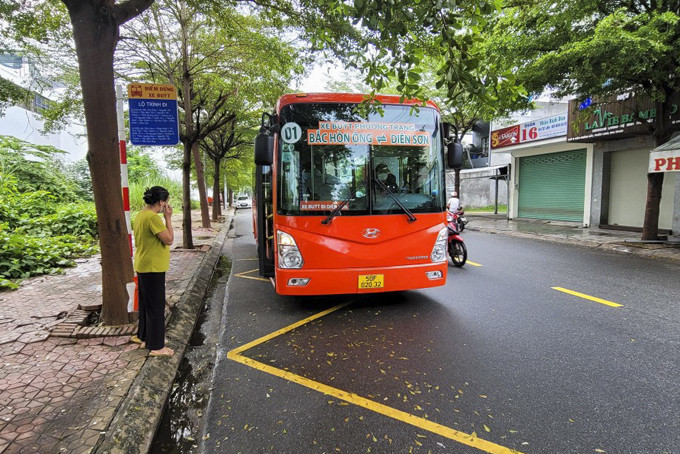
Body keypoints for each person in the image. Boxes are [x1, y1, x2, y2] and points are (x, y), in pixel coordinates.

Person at [131, 186, 174, 357]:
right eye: (166, 202)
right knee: (156, 306)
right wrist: (168, 219)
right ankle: (157, 347)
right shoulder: (153, 218)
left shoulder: (141, 215)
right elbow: (169, 240)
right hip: (153, 267)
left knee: (146, 305)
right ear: (162, 202)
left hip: (143, 264)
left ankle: (145, 338)